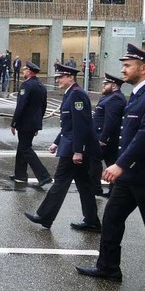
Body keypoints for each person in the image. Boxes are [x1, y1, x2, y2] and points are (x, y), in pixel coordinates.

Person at [76, 44, 145, 283]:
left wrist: (120, 164)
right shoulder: (135, 94)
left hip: (142, 175)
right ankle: (108, 267)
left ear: (143, 68)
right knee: (111, 219)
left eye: (128, 65)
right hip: (128, 178)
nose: (123, 70)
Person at [25, 63, 101, 232]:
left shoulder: (77, 95)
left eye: (61, 77)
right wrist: (57, 142)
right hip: (72, 145)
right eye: (57, 77)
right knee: (85, 185)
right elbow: (69, 125)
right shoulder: (70, 94)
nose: (57, 80)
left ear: (71, 78)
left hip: (75, 148)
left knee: (60, 182)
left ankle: (44, 216)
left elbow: (81, 125)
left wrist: (78, 150)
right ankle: (92, 221)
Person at [9, 61, 52, 186]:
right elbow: (43, 107)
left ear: (30, 71)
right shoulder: (41, 86)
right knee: (22, 147)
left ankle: (44, 176)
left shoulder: (26, 85)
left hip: (25, 123)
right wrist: (38, 122)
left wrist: (14, 122)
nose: (23, 72)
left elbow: (21, 106)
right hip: (33, 123)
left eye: (24, 70)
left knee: (25, 148)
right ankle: (20, 175)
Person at [89, 73, 126, 198]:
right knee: (109, 163)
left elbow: (111, 121)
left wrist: (103, 139)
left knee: (98, 161)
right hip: (101, 137)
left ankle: (97, 189)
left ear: (114, 86)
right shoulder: (109, 97)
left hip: (106, 139)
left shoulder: (115, 98)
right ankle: (111, 191)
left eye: (106, 84)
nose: (103, 86)